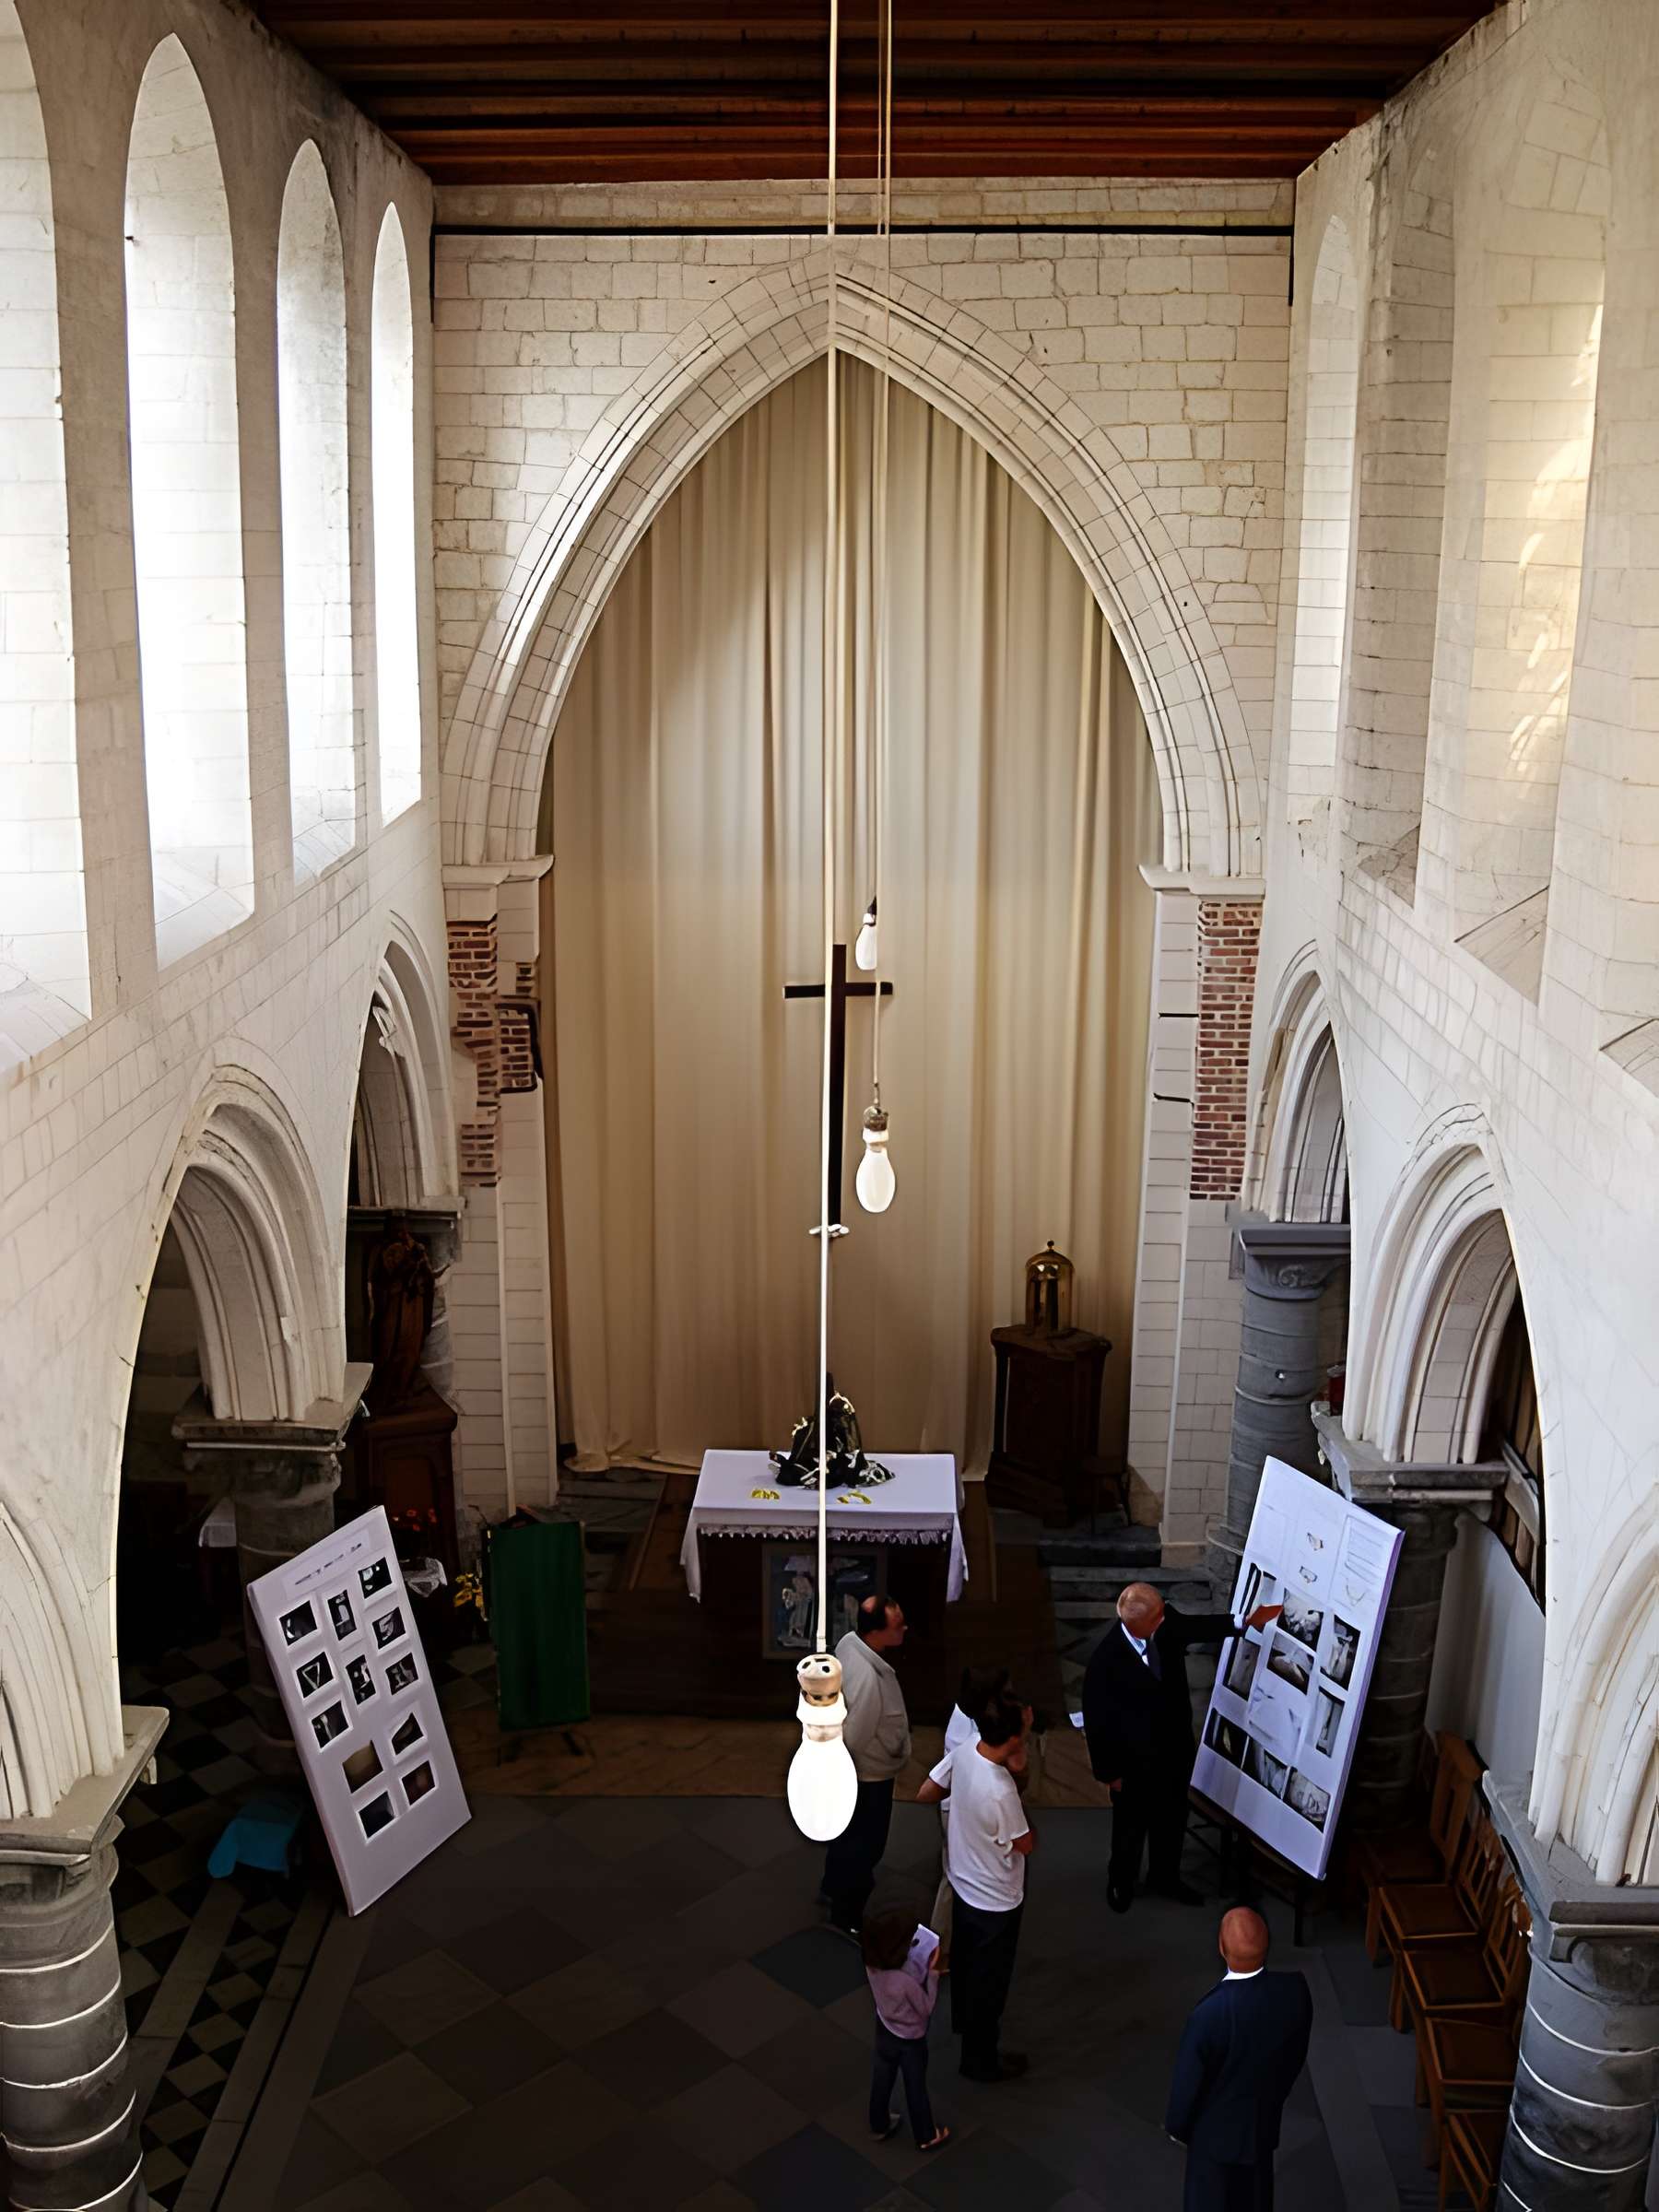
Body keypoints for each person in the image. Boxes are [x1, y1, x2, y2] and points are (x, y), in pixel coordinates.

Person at [1082, 1582, 1281, 1912]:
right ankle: (1121, 1880)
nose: (1165, 1619)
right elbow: (1097, 1723)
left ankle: (1165, 1876)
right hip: (1133, 1766)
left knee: (1172, 1818)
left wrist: (1243, 1622)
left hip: (1174, 1750)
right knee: (1130, 1828)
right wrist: (1109, 1773)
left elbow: (1193, 1626)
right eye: (1158, 1616)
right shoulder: (1106, 1662)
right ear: (1136, 1624)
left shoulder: (1165, 1621)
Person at [918, 1690, 1033, 2082]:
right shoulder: (1001, 1790)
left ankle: (964, 2027)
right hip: (995, 1900)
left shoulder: (968, 1748)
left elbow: (930, 1788)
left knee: (967, 1968)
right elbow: (1025, 1842)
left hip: (964, 1881)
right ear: (1014, 1738)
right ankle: (980, 2060)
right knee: (990, 1983)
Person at [1165, 1907, 1313, 2210]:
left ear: (1221, 1947)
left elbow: (1187, 2085)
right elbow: (1295, 2057)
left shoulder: (1208, 2015)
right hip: (1261, 2130)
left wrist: (1178, 2127)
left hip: (1213, 2144)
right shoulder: (1295, 1992)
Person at [824, 1594, 912, 1935]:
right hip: (869, 1774)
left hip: (866, 1768)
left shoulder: (850, 1643)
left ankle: (833, 1884)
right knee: (865, 1843)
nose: (905, 1628)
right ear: (878, 1632)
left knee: (847, 1837)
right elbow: (856, 1735)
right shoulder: (867, 1679)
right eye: (898, 1625)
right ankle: (847, 1914)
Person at [931, 1664, 1016, 1952]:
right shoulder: (972, 1732)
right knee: (955, 1879)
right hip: (960, 1811)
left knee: (958, 1876)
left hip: (960, 1808)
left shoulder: (965, 1714)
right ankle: (939, 1949)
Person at [861, 1899, 951, 2153]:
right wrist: (932, 1975)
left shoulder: (872, 1965)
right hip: (911, 2039)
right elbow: (925, 2007)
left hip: (885, 2027)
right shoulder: (904, 1982)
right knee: (915, 2085)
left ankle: (879, 2124)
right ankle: (926, 2134)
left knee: (883, 2075)